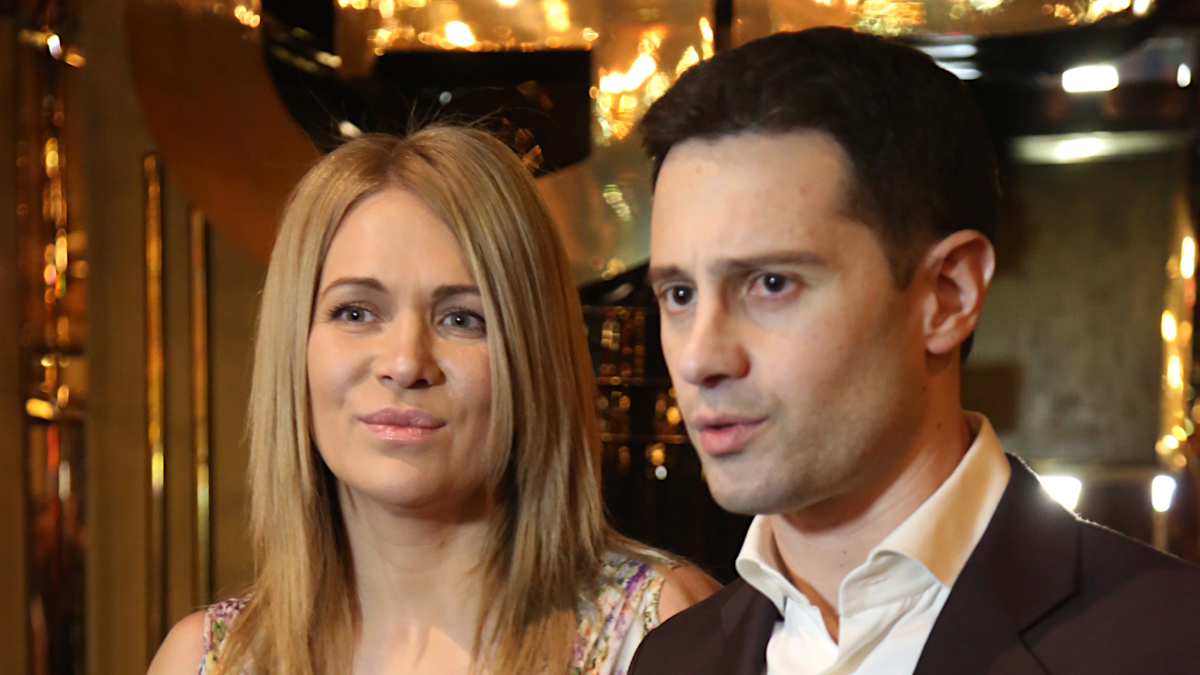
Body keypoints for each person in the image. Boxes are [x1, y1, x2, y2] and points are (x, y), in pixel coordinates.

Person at [629, 26, 1200, 675]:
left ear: (949, 295)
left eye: (771, 284)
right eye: (678, 294)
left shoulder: (1171, 641)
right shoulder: (672, 659)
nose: (700, 358)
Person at [146, 126, 717, 675]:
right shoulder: (206, 661)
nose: (404, 363)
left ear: (535, 359)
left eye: (462, 319)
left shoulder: (662, 635)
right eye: (355, 312)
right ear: (295, 346)